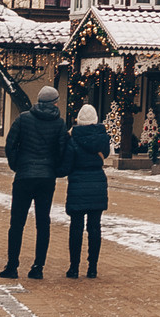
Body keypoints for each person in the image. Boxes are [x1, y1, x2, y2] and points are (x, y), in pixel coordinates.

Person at [2, 86, 68, 280]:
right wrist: (53, 169)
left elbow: (10, 144)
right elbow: (62, 151)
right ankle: (38, 267)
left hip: (24, 176)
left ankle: (12, 266)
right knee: (43, 222)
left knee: (17, 222)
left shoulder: (23, 119)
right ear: (55, 102)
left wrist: (17, 165)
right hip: (46, 178)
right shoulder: (59, 124)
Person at [62, 102, 111, 278]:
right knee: (95, 228)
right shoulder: (102, 139)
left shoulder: (72, 139)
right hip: (98, 184)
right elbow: (106, 155)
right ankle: (92, 268)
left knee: (76, 228)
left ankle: (74, 267)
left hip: (77, 186)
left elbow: (66, 166)